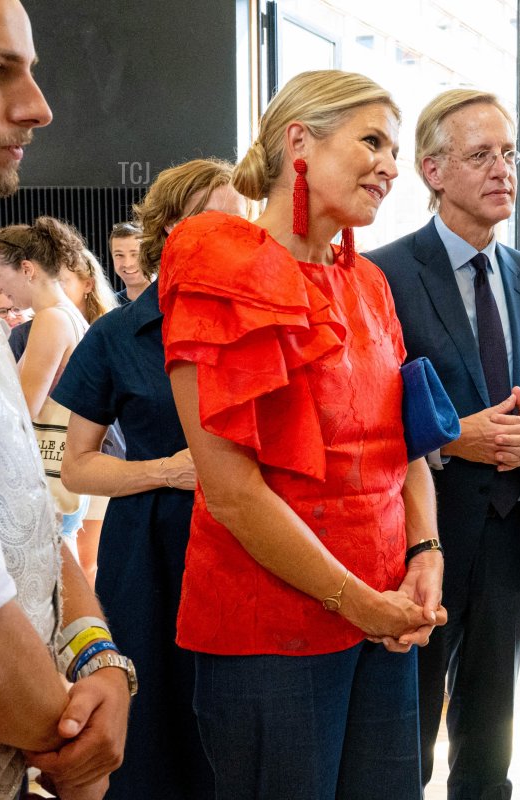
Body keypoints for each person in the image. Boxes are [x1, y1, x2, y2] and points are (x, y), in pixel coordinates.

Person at [158, 70, 445, 799]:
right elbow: (230, 490)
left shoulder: (369, 283)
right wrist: (359, 600)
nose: (389, 163)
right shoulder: (218, 268)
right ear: (299, 143)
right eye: (371, 140)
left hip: (383, 615)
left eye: (394, 148)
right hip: (271, 634)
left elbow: (404, 442)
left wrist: (424, 551)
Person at [0, 1, 133, 798]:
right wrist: (75, 743)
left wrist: (98, 658)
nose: (38, 107)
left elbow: (23, 509)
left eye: (31, 71)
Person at [366, 88, 520, 799]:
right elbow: (363, 412)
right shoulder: (382, 274)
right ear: (433, 170)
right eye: (480, 155)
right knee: (406, 741)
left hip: (510, 537)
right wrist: (451, 441)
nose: (502, 170)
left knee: (489, 742)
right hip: (416, 544)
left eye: (509, 154)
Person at [52, 158, 244, 800]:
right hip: (153, 550)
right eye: (216, 222)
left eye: (242, 224)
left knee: (241, 728)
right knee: (157, 726)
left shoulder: (258, 324)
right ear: (171, 230)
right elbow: (77, 465)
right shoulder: (116, 335)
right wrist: (167, 470)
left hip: (251, 545)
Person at [0, 218, 95, 549]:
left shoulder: (52, 319)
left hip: (50, 476)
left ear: (27, 269)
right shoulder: (69, 315)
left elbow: (21, 412)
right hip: (65, 473)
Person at [109, 222, 147, 304]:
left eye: (135, 254)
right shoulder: (109, 305)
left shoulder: (172, 300)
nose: (127, 264)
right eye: (119, 255)